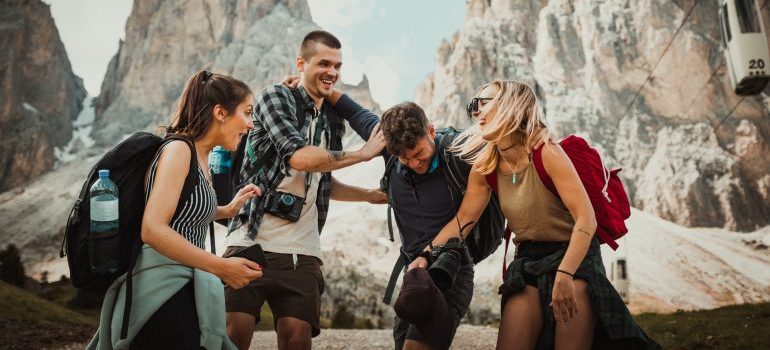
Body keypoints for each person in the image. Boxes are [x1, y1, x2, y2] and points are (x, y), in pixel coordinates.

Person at [281, 75, 545, 349]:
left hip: (451, 268)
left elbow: (510, 138)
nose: (415, 163)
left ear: (431, 131)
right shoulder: (390, 149)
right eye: (405, 159)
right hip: (415, 272)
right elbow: (352, 110)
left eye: (419, 154)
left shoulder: (459, 152)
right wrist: (309, 82)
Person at [425, 80, 660, 349]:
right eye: (471, 106)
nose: (474, 111)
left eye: (482, 103)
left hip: (574, 256)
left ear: (510, 104)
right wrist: (424, 254)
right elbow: (463, 219)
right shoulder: (485, 166)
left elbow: (587, 219)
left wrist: (566, 274)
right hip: (527, 259)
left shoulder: (546, 153)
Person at [223, 30, 387, 350]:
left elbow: (323, 178)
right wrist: (362, 154)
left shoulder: (332, 121)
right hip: (250, 240)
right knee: (232, 336)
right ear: (301, 63)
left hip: (303, 251)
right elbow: (299, 158)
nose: (333, 72)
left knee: (298, 338)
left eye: (338, 66)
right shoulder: (275, 98)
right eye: (324, 63)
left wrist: (366, 195)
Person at [88, 70, 264, 350]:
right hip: (161, 287)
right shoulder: (179, 151)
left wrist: (227, 210)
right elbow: (153, 229)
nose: (251, 124)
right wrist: (222, 267)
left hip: (182, 281)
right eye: (247, 113)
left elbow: (181, 210)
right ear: (220, 112)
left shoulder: (200, 157)